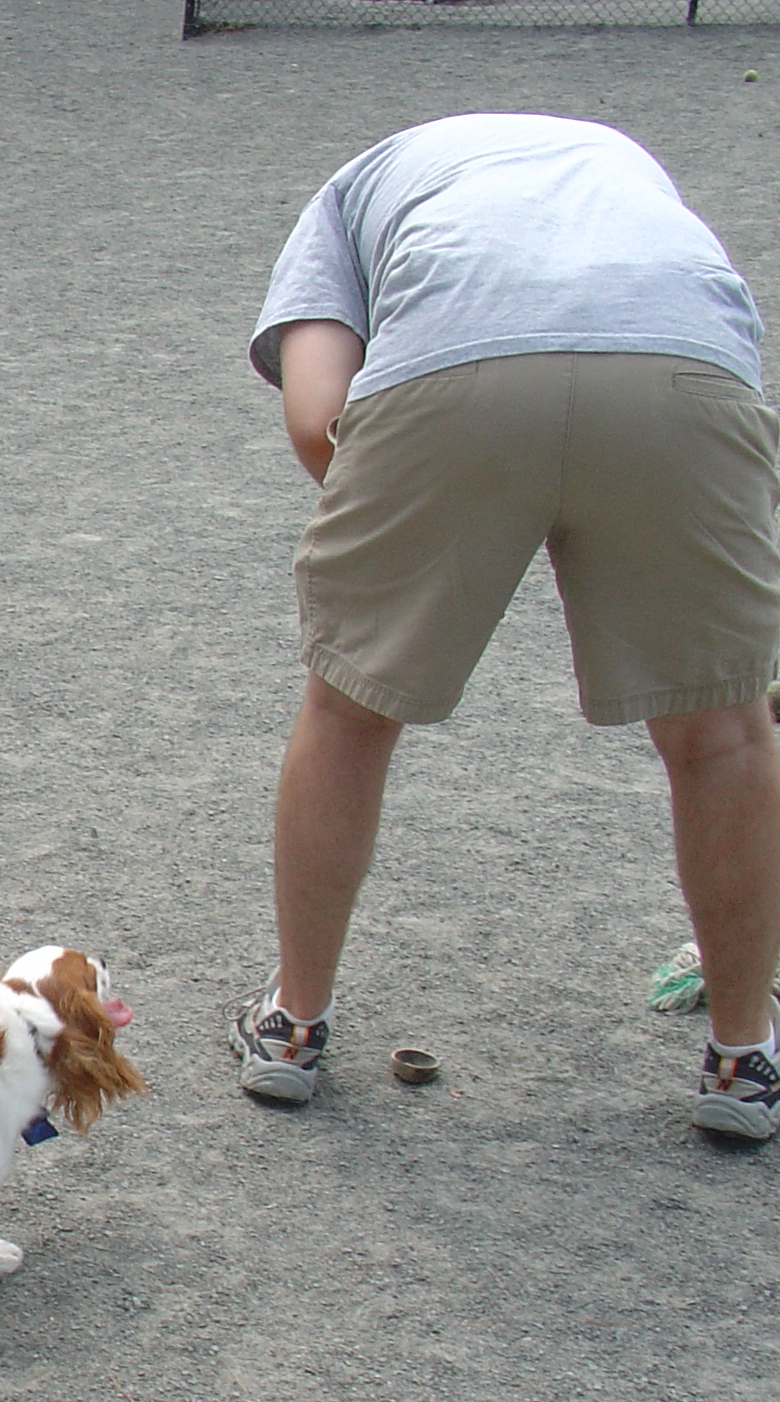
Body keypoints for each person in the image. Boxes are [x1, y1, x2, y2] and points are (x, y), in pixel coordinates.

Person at [236, 113, 780, 1141]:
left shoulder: (347, 199)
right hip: (682, 374)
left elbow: (317, 416)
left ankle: (292, 1027)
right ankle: (744, 1058)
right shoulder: (632, 177)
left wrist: (430, 538)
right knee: (724, 732)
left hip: (456, 375)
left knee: (348, 712)